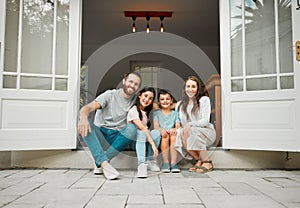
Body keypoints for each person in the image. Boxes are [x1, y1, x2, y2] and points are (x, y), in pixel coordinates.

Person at [77, 72, 141, 180]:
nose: (132, 85)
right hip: (101, 135)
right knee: (85, 120)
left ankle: (100, 162)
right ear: (124, 81)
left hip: (117, 139)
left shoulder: (136, 99)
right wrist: (83, 118)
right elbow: (87, 108)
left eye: (136, 84)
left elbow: (156, 104)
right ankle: (104, 163)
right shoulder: (109, 95)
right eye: (131, 81)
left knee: (132, 129)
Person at [174, 76, 216, 173]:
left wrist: (190, 124)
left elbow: (205, 121)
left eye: (193, 87)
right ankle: (199, 160)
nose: (190, 89)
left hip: (206, 133)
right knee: (180, 133)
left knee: (191, 130)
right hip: (188, 133)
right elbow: (178, 123)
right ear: (184, 89)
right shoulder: (179, 104)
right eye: (188, 86)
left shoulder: (204, 100)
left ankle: (207, 162)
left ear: (198, 88)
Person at [127, 87, 161, 178]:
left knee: (156, 132)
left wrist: (178, 104)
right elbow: (142, 128)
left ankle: (150, 160)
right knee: (142, 133)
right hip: (134, 142)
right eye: (145, 96)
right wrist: (153, 145)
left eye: (150, 98)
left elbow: (164, 105)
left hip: (145, 140)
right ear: (139, 95)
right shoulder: (133, 110)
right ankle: (141, 165)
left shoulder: (148, 110)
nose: (147, 100)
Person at [153, 89, 181, 173]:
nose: (165, 101)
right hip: (163, 135)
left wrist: (174, 129)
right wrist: (161, 130)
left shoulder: (175, 113)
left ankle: (173, 163)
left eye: (167, 99)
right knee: (165, 136)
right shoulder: (157, 113)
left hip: (172, 134)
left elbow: (178, 125)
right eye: (162, 99)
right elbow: (156, 126)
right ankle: (165, 163)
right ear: (158, 102)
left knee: (173, 136)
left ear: (171, 100)